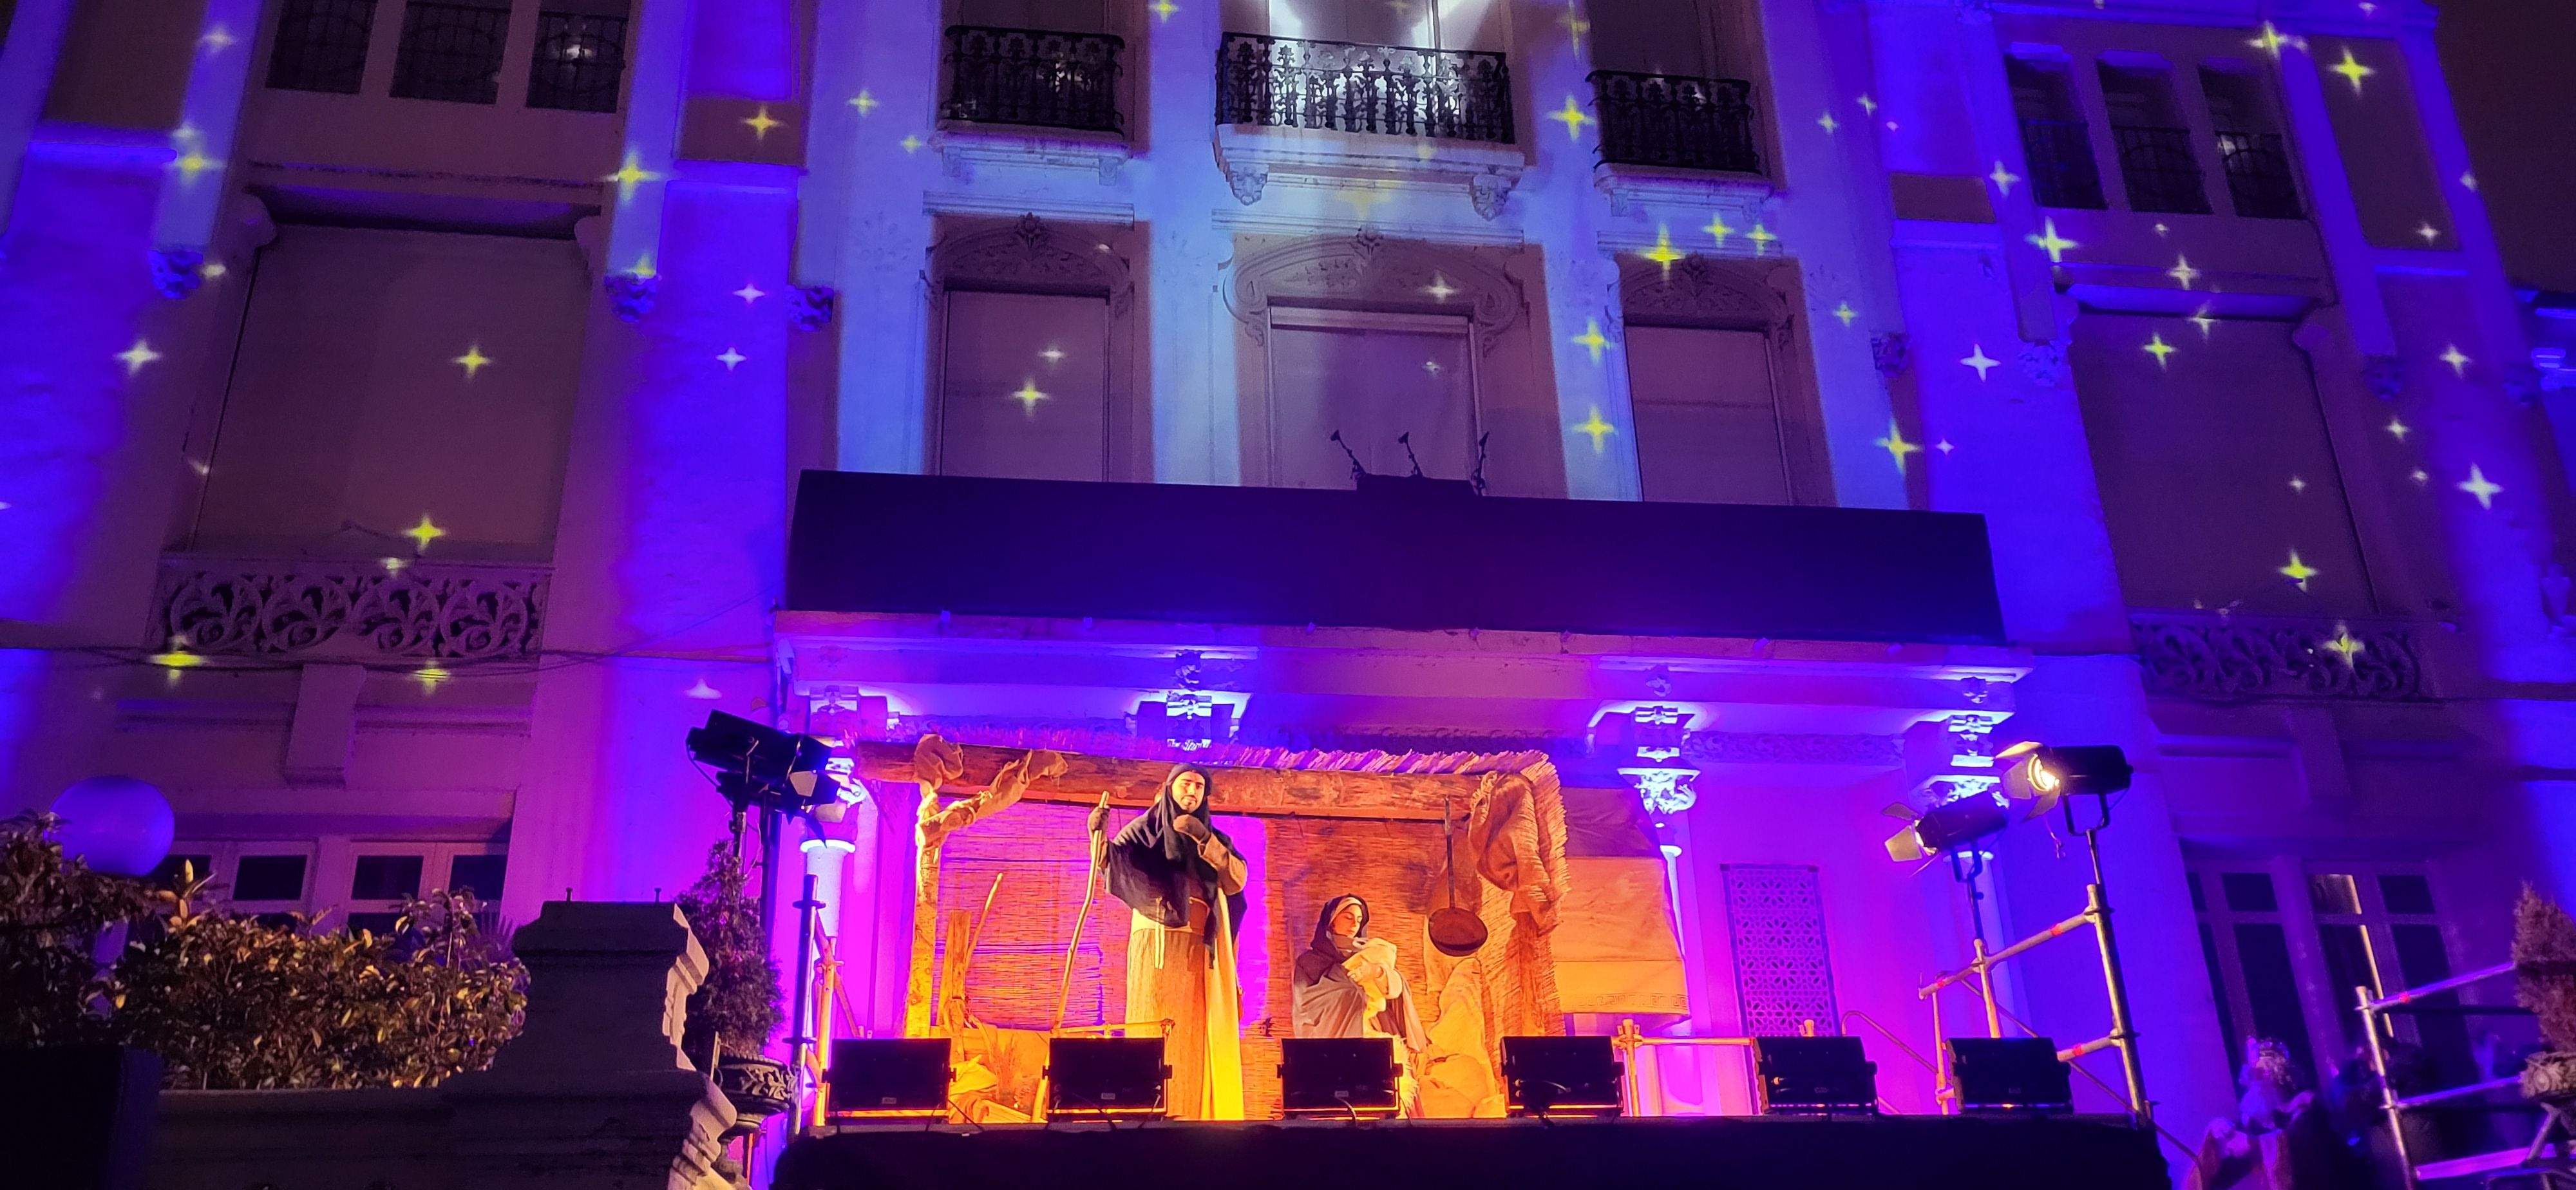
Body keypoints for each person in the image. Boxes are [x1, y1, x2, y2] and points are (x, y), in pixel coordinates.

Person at [1094, 764, 1248, 1120]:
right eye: (1185, 784)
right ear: (1169, 788)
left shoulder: (1215, 837)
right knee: (1154, 1023)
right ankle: (1146, 1114)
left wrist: (1203, 840)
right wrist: (1097, 838)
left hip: (1200, 948)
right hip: (1156, 942)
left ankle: (1194, 1117)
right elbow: (1111, 864)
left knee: (1194, 1033)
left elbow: (1236, 880)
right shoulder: (1144, 829)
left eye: (1198, 786)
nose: (1191, 791)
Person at [1293, 894, 1429, 1113]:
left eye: (1358, 919)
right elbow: (1306, 1004)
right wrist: (1346, 988)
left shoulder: (1371, 953)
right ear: (1332, 921)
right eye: (1347, 917)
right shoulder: (1310, 962)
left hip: (1373, 1038)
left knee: (1385, 1103)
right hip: (1333, 1042)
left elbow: (1396, 986)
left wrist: (1377, 972)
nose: (1354, 924)